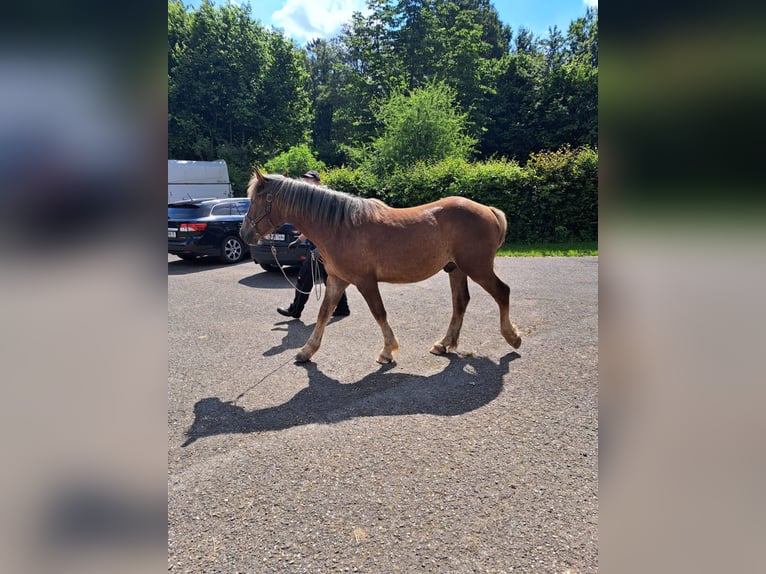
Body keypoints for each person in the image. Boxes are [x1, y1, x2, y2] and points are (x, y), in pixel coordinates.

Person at [276, 170, 350, 319]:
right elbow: (312, 229)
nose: (306, 182)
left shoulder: (326, 202)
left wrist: (319, 248)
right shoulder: (312, 203)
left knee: (304, 278)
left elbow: (332, 228)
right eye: (305, 180)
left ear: (318, 182)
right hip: (318, 249)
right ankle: (343, 308)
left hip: (323, 250)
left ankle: (295, 310)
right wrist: (298, 241)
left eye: (310, 180)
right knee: (332, 279)